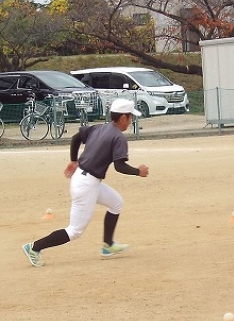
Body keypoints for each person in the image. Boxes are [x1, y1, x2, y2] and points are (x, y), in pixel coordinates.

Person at [22, 98, 150, 267]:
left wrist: (73, 160)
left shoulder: (99, 128)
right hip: (87, 185)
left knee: (116, 202)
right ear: (123, 118)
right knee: (75, 231)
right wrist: (138, 172)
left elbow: (76, 138)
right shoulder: (118, 137)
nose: (131, 120)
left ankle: (108, 246)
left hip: (85, 179)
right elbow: (119, 166)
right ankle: (34, 248)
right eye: (130, 117)